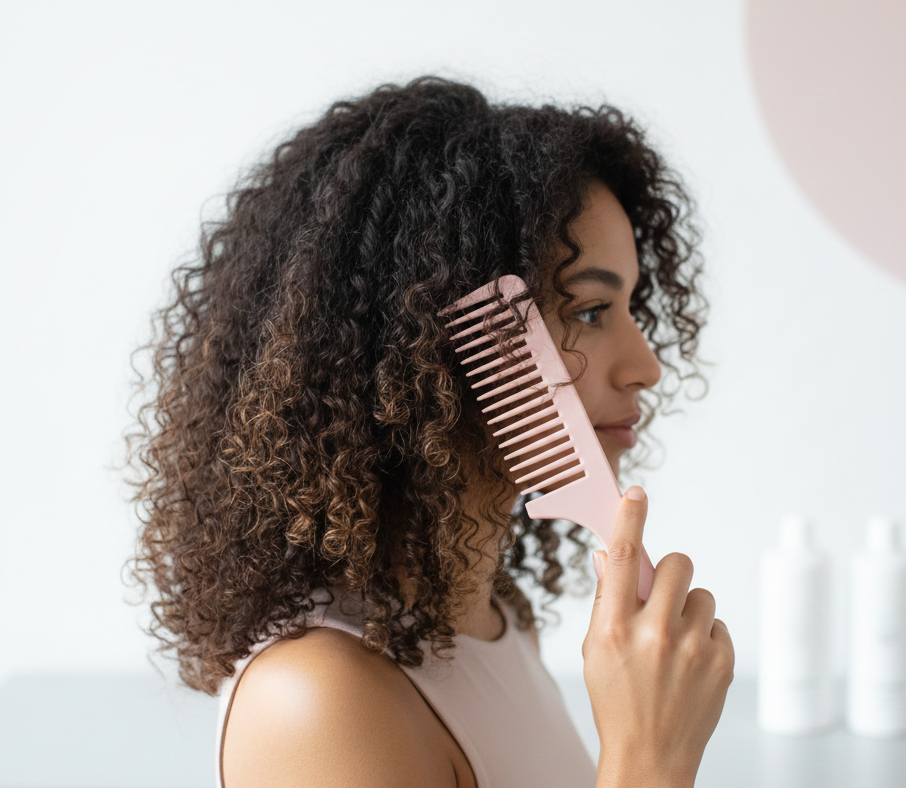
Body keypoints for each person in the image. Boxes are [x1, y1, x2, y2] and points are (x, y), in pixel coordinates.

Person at [125, 76, 734, 788]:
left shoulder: (492, 616)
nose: (647, 367)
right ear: (430, 339)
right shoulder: (318, 703)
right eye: (593, 310)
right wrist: (650, 760)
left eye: (632, 307)